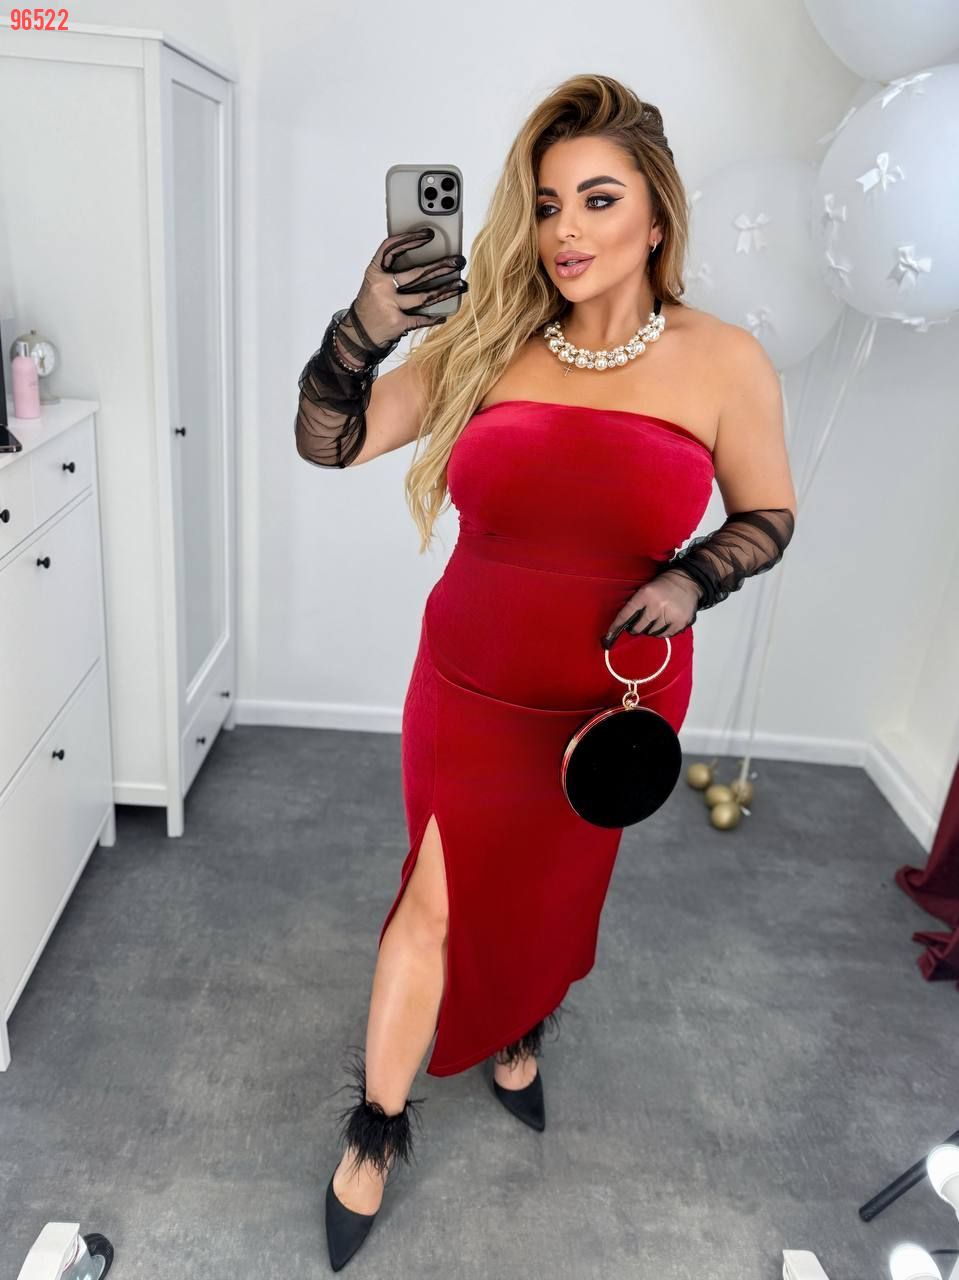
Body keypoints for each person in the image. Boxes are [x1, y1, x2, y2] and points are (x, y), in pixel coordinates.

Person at [294, 73, 797, 1272]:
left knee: (554, 890)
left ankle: (516, 1031)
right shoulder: (486, 340)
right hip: (467, 689)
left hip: (608, 704)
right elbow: (330, 439)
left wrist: (694, 577)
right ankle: (375, 1129)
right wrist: (361, 327)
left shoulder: (723, 360)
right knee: (430, 901)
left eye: (596, 198)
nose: (564, 228)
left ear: (656, 215)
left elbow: (767, 512)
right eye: (545, 202)